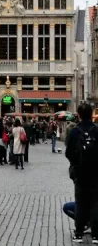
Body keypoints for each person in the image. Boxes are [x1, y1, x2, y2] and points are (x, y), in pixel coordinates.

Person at [66, 102, 98, 242]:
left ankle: (78, 233)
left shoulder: (75, 131)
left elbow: (68, 153)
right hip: (96, 173)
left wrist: (76, 163)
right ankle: (96, 235)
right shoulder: (96, 130)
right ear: (91, 114)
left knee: (80, 202)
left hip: (80, 173)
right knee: (95, 203)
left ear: (78, 114)